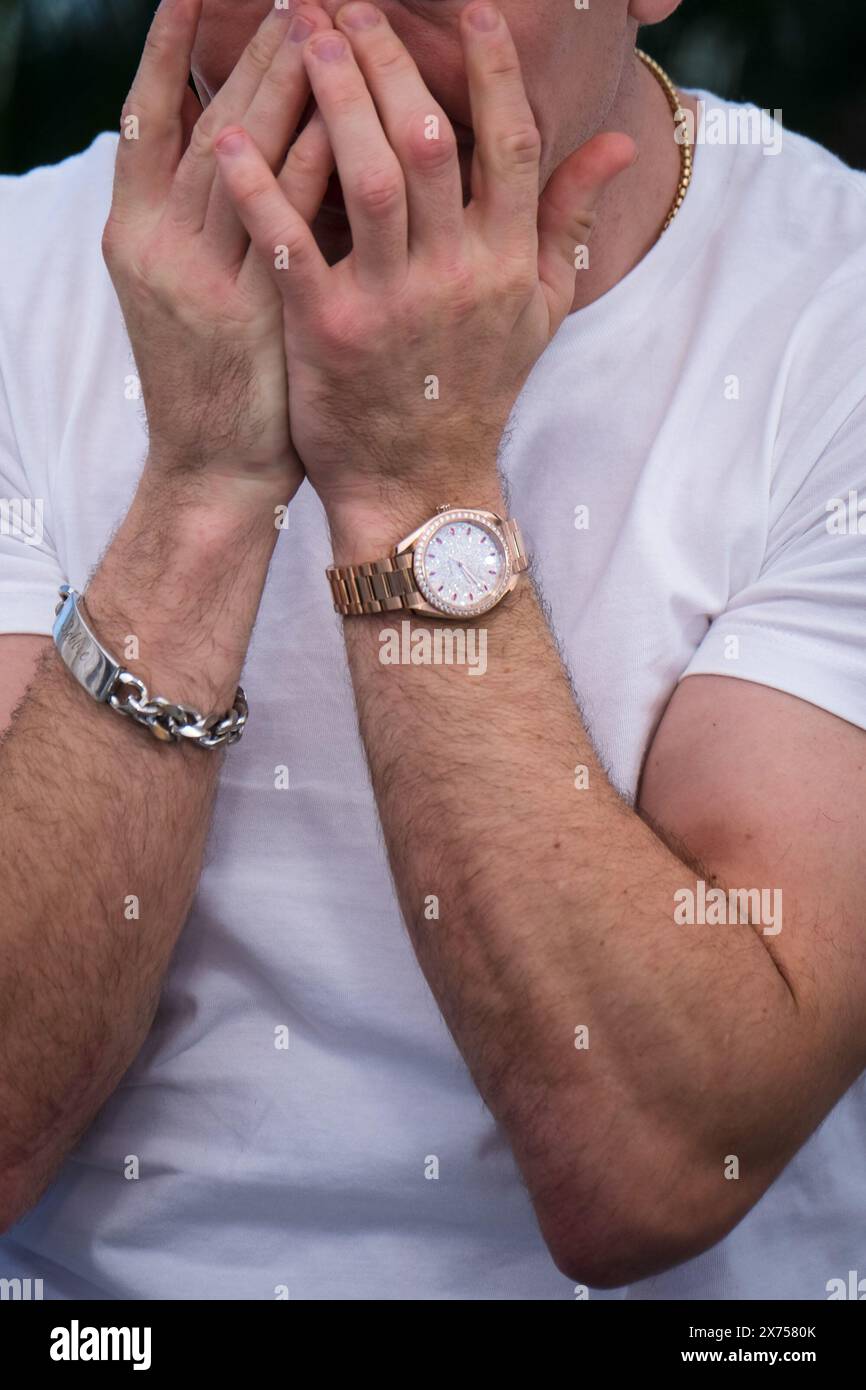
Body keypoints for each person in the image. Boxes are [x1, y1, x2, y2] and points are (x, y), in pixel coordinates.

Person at [0, 0, 864, 1302]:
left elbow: (658, 1164)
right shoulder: (18, 282)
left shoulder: (829, 315)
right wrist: (204, 494)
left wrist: (410, 481)